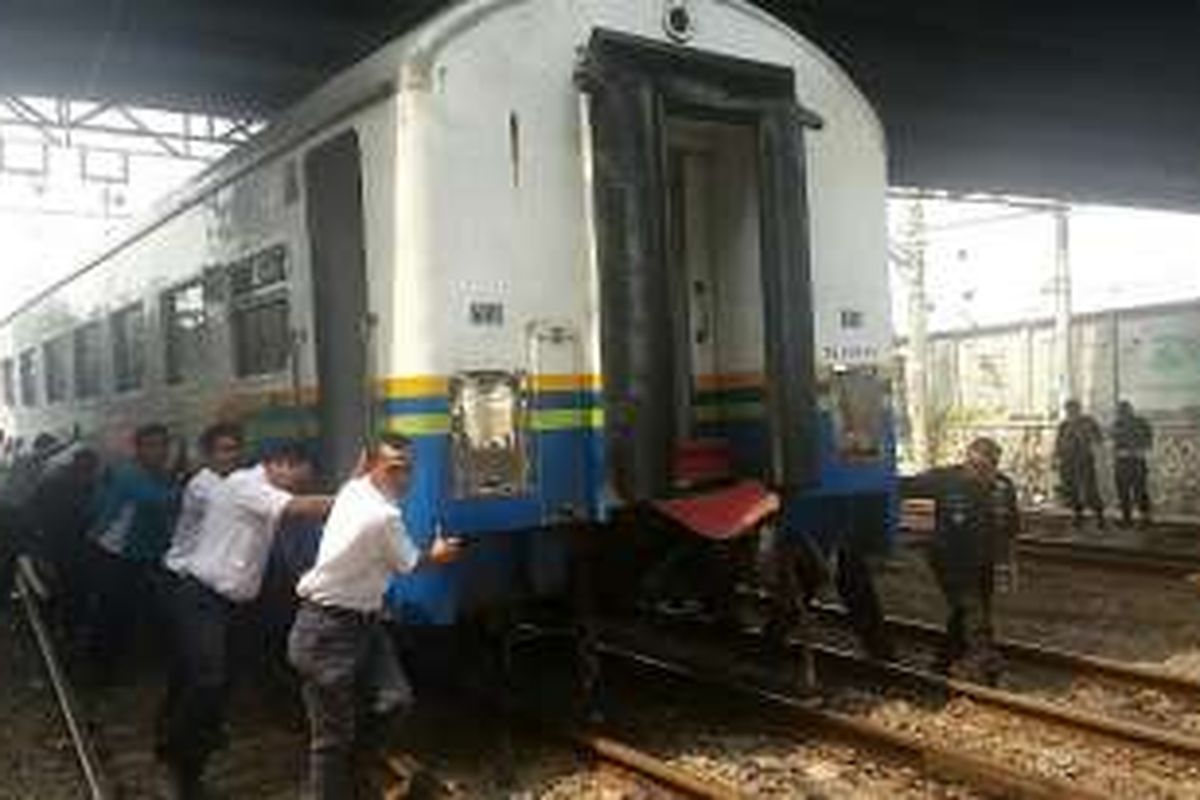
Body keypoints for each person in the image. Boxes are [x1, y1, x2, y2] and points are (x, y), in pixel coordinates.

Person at [289, 434, 463, 800]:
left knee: (394, 700)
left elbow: (353, 478)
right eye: (394, 469)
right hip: (326, 629)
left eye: (408, 470)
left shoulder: (355, 490)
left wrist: (362, 463)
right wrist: (439, 553)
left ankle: (355, 774)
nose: (403, 478)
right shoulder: (382, 516)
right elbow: (412, 563)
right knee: (330, 741)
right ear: (373, 467)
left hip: (362, 623)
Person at [159, 440, 333, 799]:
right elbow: (300, 507)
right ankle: (176, 750)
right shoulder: (245, 485)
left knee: (221, 684)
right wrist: (358, 497)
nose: (300, 486)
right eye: (300, 478)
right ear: (283, 463)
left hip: (233, 605)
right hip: (202, 597)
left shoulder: (263, 492)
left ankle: (190, 763)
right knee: (208, 678)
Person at [156, 422, 244, 758]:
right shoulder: (203, 485)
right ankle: (178, 741)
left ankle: (190, 728)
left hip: (212, 587)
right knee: (203, 671)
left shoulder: (232, 482)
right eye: (223, 449)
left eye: (235, 449)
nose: (231, 456)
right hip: (184, 583)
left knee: (193, 667)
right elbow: (241, 503)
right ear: (208, 455)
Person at [902, 437, 1019, 683]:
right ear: (967, 459)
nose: (980, 473)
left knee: (971, 610)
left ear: (995, 465)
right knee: (972, 610)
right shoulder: (942, 479)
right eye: (975, 466)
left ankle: (941, 663)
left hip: (983, 560)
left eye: (988, 467)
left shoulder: (1003, 488)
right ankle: (987, 664)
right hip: (948, 559)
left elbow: (1009, 531)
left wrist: (1008, 566)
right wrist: (918, 531)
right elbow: (903, 489)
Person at [87, 424, 177, 676]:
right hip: (115, 553)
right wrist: (192, 490)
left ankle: (130, 660)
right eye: (151, 445)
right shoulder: (130, 474)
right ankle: (100, 669)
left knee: (142, 608)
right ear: (138, 450)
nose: (159, 451)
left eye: (163, 445)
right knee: (113, 611)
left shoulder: (160, 474)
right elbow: (154, 499)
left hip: (143, 553)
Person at [30, 447, 101, 637]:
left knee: (61, 584)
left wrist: (38, 536)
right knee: (74, 586)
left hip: (56, 541)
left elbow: (34, 506)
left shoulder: (52, 480)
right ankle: (69, 625)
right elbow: (91, 514)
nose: (91, 472)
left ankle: (58, 624)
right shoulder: (88, 485)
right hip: (73, 543)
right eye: (91, 469)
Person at [1054, 399, 1105, 528]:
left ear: (1078, 409)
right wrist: (1057, 458)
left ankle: (1099, 515)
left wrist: (1085, 435)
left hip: (1084, 460)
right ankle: (1078, 515)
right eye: (1068, 410)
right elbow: (1059, 443)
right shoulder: (1064, 425)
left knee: (1090, 488)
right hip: (1068, 461)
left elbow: (1098, 438)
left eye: (1073, 409)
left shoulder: (1087, 422)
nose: (1071, 412)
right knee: (1072, 490)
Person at [1112, 401, 1153, 527]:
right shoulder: (1117, 424)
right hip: (1122, 461)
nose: (1122, 414)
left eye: (1124, 411)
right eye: (1120, 412)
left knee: (1139, 491)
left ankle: (1144, 518)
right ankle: (1127, 518)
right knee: (1123, 492)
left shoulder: (1140, 423)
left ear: (1130, 410)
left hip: (1136, 461)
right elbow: (1114, 440)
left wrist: (1137, 449)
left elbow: (1148, 441)